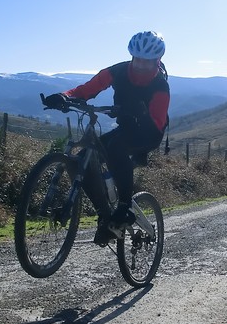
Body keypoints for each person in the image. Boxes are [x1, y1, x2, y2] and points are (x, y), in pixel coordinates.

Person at [43, 30, 170, 246]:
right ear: (132, 56)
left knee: (116, 148)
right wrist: (65, 96)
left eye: (147, 62)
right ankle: (105, 215)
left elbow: (156, 123)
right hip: (126, 128)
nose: (141, 65)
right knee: (81, 160)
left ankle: (123, 207)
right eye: (137, 59)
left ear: (157, 61)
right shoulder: (118, 71)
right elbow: (88, 89)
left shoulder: (160, 86)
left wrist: (139, 111)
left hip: (148, 133)